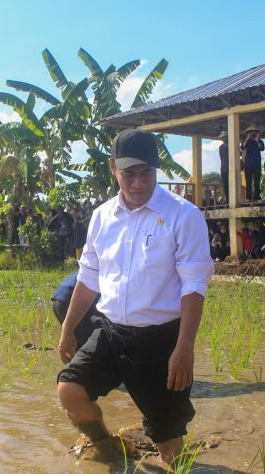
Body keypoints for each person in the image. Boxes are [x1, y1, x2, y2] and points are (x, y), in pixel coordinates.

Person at [56, 128, 214, 466]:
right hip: (111, 333)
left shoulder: (183, 215)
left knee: (171, 450)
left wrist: (184, 348)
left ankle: (169, 448)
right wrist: (68, 327)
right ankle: (107, 445)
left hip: (162, 341)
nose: (139, 182)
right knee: (70, 390)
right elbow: (89, 276)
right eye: (130, 174)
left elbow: (194, 285)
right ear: (113, 168)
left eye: (147, 173)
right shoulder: (102, 216)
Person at [52, 270, 102, 348]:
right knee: (90, 344)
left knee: (75, 340)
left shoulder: (89, 266)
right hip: (71, 300)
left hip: (58, 300)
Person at [240, 126, 264, 202]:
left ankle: (257, 197)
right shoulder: (246, 141)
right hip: (248, 164)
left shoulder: (260, 141)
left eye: (254, 131)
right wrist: (247, 139)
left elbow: (262, 148)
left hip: (257, 163)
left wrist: (257, 140)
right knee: (248, 181)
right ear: (248, 133)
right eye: (251, 131)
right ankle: (248, 197)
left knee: (257, 181)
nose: (252, 133)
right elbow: (242, 147)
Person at [218, 131, 229, 203]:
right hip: (223, 168)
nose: (223, 139)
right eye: (222, 138)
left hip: (231, 168)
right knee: (225, 185)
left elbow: (239, 153)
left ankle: (232, 199)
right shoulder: (221, 147)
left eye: (224, 137)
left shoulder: (232, 145)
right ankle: (228, 199)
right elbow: (221, 158)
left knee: (231, 184)